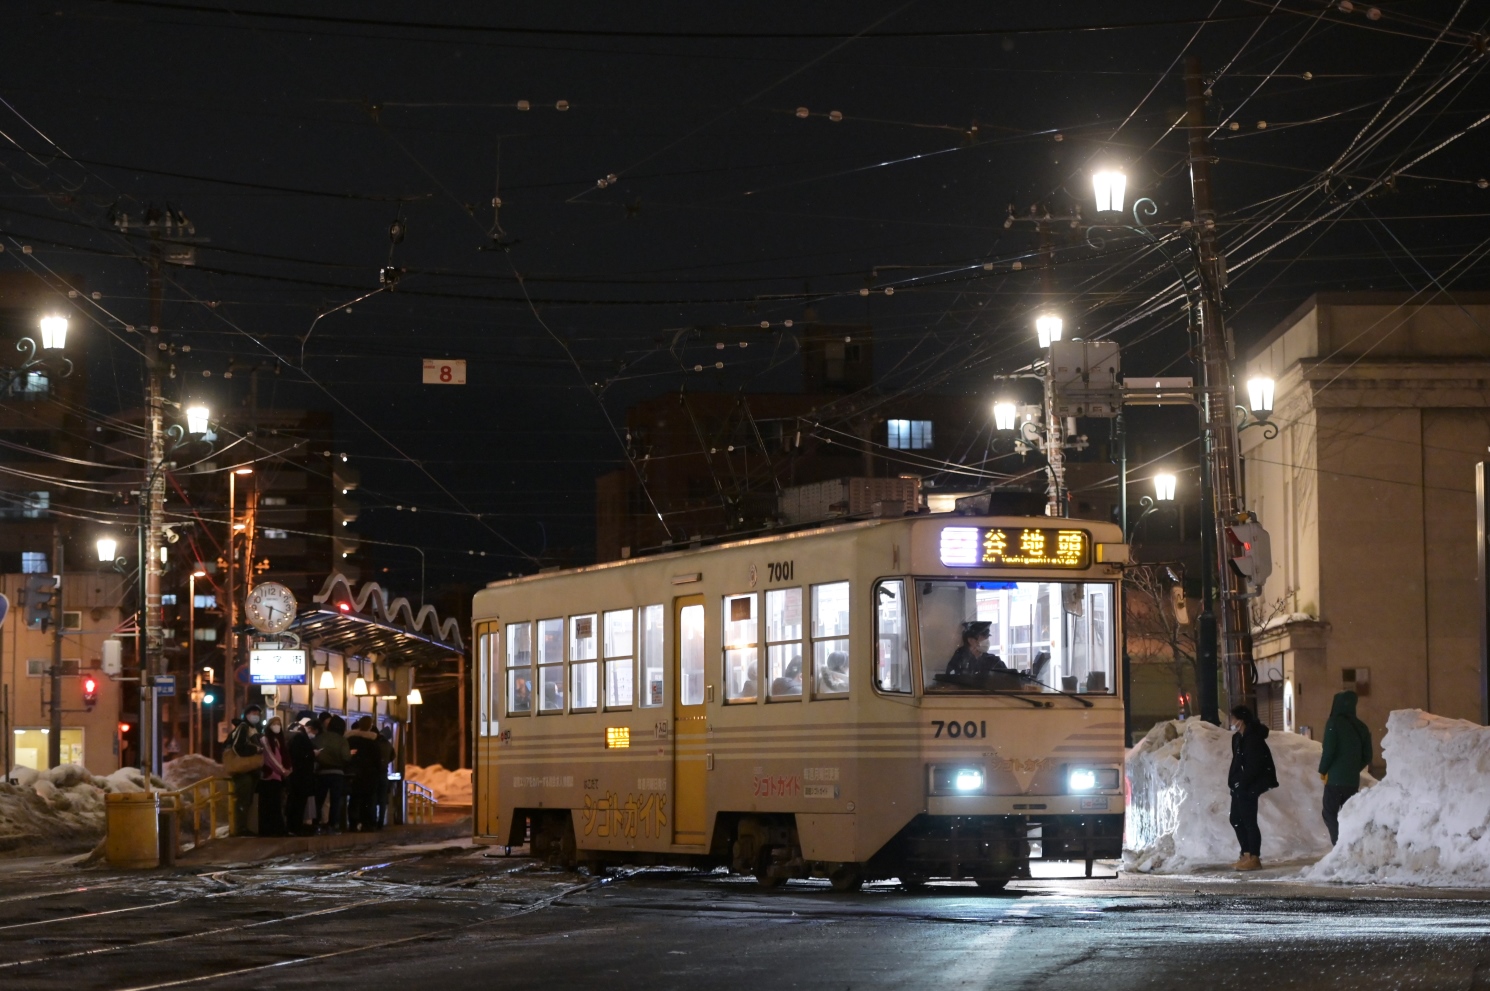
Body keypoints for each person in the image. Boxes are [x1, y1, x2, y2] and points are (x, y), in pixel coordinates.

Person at [1227, 705, 1279, 871]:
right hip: (1240, 784)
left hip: (1251, 784)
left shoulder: (1253, 738)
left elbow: (1254, 766)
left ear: (1241, 720)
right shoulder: (1237, 738)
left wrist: (1242, 783)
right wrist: (1233, 781)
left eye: (1233, 718)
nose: (1231, 721)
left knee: (1249, 820)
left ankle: (1254, 857)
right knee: (1235, 819)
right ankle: (1246, 853)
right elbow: (1237, 762)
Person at [1318, 690, 1372, 845]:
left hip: (1334, 780)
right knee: (1349, 814)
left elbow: (1329, 750)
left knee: (1329, 813)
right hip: (1352, 781)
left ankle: (1338, 844)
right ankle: (1350, 844)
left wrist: (1323, 769)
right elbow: (1367, 756)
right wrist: (1353, 768)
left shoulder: (1333, 723)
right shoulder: (1362, 727)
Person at [224, 705, 263, 835]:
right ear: (246, 714)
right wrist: (255, 749)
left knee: (248, 799)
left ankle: (244, 827)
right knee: (243, 799)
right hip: (243, 771)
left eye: (258, 712)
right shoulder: (243, 727)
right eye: (253, 712)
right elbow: (238, 747)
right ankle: (240, 828)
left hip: (251, 770)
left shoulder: (254, 729)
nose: (256, 715)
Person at [314, 714, 351, 833]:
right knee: (335, 801)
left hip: (322, 772)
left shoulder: (320, 737)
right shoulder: (342, 740)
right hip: (337, 773)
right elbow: (346, 757)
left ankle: (316, 823)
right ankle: (332, 825)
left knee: (319, 799)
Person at [346, 716, 382, 831]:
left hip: (354, 774)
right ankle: (367, 824)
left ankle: (353, 824)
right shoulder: (373, 741)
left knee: (354, 799)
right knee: (369, 800)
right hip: (370, 775)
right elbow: (378, 759)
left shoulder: (350, 739)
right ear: (370, 726)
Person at [286, 711, 319, 835]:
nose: (315, 735)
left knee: (298, 802)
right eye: (315, 732)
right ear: (310, 728)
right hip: (300, 776)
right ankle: (295, 827)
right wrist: (312, 754)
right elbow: (300, 756)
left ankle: (295, 826)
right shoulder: (300, 737)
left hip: (299, 776)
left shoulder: (298, 736)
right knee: (297, 803)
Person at [258, 716, 289, 837]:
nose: (277, 726)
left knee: (276, 804)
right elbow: (270, 758)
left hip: (278, 776)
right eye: (274, 724)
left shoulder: (279, 740)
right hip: (270, 776)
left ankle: (276, 829)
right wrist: (283, 770)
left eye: (279, 724)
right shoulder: (265, 739)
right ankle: (270, 830)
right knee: (270, 804)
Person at [944, 621, 1009, 678]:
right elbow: (951, 682)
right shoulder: (959, 659)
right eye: (983, 638)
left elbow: (1008, 680)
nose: (987, 641)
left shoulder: (993, 660)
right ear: (971, 640)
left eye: (987, 638)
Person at [373, 725, 396, 828]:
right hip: (384, 774)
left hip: (374, 774)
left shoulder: (375, 743)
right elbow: (393, 756)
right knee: (382, 799)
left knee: (372, 797)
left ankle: (373, 820)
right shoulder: (389, 745)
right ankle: (381, 821)